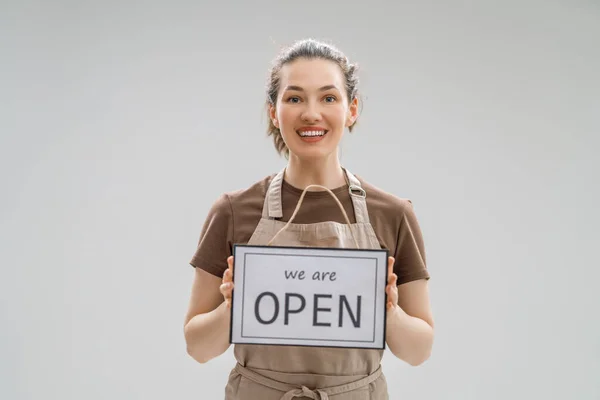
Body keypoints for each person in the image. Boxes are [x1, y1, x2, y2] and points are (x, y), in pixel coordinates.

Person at [183, 38, 435, 400]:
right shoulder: (233, 211)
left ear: (352, 110)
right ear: (274, 112)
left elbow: (419, 350)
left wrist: (389, 311)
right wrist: (232, 305)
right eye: (294, 98)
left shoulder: (393, 214)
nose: (311, 114)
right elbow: (198, 347)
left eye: (329, 98)